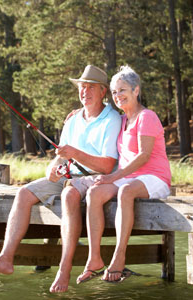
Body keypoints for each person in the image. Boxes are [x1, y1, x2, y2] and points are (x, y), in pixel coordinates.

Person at [0, 65, 122, 293]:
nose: (85, 92)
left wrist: (74, 154)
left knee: (69, 193)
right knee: (24, 193)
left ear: (103, 91)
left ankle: (64, 269)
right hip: (68, 175)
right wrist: (51, 170)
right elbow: (60, 158)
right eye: (82, 87)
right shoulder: (73, 120)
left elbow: (107, 165)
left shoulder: (112, 119)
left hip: (94, 179)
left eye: (91, 87)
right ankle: (5, 258)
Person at [75, 65, 171, 283]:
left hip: (154, 177)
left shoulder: (147, 117)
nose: (118, 96)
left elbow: (144, 156)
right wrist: (77, 115)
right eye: (114, 92)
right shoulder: (121, 120)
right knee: (94, 193)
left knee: (125, 191)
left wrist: (112, 177)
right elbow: (96, 115)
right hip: (129, 178)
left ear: (136, 90)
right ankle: (94, 258)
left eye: (123, 90)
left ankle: (119, 256)